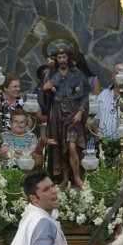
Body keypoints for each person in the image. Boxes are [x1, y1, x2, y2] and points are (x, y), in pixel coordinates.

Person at [41, 50, 89, 188]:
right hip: (57, 113)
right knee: (61, 146)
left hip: (73, 112)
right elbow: (44, 100)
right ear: (55, 59)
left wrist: (80, 111)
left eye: (64, 57)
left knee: (72, 146)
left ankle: (77, 177)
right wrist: (44, 89)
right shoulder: (49, 74)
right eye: (59, 57)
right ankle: (65, 178)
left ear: (68, 58)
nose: (62, 59)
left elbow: (85, 95)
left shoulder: (77, 73)